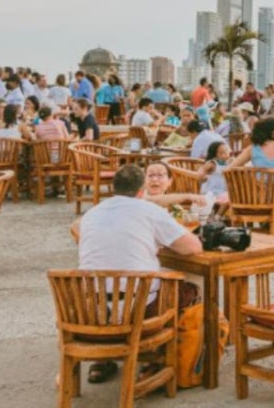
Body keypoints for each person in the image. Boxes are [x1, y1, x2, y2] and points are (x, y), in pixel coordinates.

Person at [76, 164, 202, 384]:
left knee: (117, 284)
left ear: (114, 188)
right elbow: (193, 248)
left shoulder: (92, 213)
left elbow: (76, 229)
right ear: (141, 191)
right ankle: (161, 359)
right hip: (138, 312)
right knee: (192, 289)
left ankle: (104, 359)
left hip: (92, 312)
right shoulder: (148, 210)